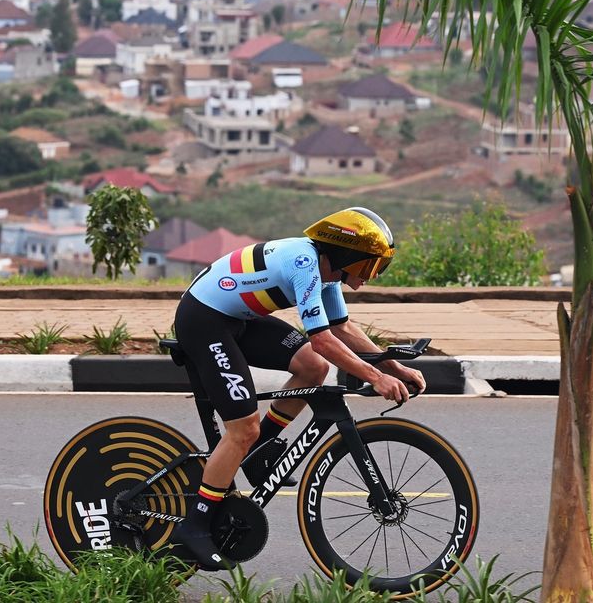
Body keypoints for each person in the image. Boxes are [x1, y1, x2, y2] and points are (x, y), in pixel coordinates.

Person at [172, 207, 426, 569]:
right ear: (346, 255)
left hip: (239, 319)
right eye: (369, 266)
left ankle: (260, 452)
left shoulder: (329, 273)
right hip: (204, 320)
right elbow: (322, 339)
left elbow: (342, 329)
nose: (370, 276)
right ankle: (195, 525)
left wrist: (394, 367)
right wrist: (376, 377)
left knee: (313, 367)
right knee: (242, 428)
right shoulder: (306, 264)